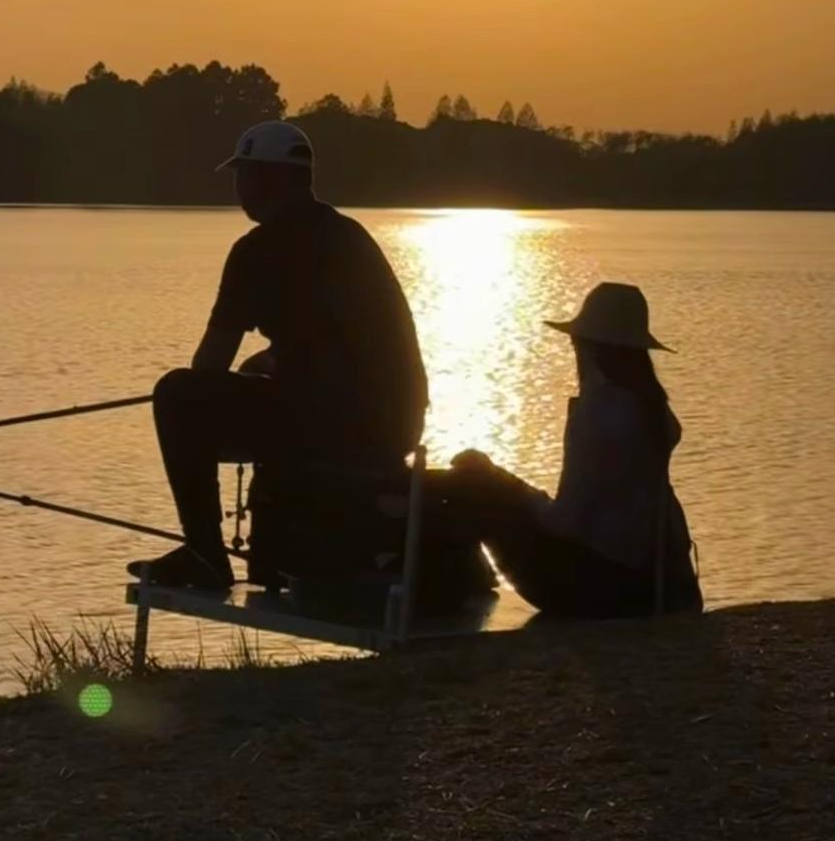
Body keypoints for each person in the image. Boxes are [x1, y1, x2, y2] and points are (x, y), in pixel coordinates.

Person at [129, 120, 429, 589]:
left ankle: (205, 553)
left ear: (273, 179)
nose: (240, 187)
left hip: (336, 426)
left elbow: (209, 367)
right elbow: (338, 337)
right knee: (233, 398)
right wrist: (271, 361)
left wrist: (214, 405)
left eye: (245, 174)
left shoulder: (255, 251)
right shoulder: (349, 237)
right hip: (398, 424)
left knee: (177, 395)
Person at [408, 282, 702, 617]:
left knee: (474, 490)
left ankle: (436, 602)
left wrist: (510, 488)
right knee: (485, 481)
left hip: (602, 589)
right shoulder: (656, 412)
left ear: (586, 346)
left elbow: (565, 523)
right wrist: (509, 485)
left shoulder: (598, 412)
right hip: (651, 582)